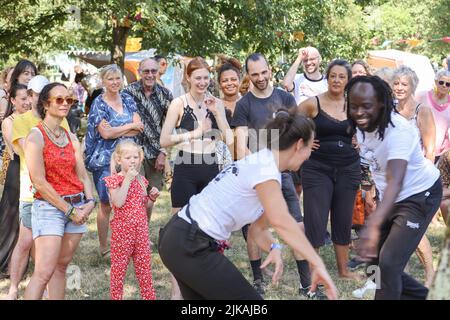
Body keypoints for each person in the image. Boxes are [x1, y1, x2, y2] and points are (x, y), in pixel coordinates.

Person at [158, 110, 338, 300]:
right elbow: (282, 221)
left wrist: (274, 247)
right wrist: (316, 262)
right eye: (310, 147)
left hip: (180, 239)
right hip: (189, 243)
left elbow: (257, 230)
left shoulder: (267, 169)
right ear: (299, 145)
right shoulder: (265, 168)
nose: (309, 155)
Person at [347, 75, 442, 300]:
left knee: (388, 264)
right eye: (354, 106)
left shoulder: (398, 130)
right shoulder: (361, 125)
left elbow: (396, 180)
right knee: (372, 263)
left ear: (381, 103)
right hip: (391, 196)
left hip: (419, 195)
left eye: (366, 106)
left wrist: (373, 225)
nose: (359, 112)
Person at [232, 53, 316, 298]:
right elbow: (239, 145)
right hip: (256, 177)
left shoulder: (285, 98)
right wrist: (262, 165)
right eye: (254, 74)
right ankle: (258, 281)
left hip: (283, 175)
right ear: (249, 75)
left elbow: (298, 133)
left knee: (297, 226)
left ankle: (305, 285)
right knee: (254, 227)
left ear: (270, 70)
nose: (260, 78)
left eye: (263, 72)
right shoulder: (244, 105)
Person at [160, 56, 231, 299]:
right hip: (186, 168)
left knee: (211, 229)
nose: (203, 82)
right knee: (178, 233)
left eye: (206, 77)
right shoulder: (178, 104)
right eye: (197, 77)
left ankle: (208, 287)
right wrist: (194, 133)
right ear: (188, 78)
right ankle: (177, 293)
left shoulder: (216, 103)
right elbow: (164, 140)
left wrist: (218, 114)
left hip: (210, 167)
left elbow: (229, 139)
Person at [23, 82, 96, 300]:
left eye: (69, 100)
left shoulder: (71, 137)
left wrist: (90, 201)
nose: (66, 104)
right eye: (59, 99)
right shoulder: (35, 136)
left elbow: (82, 175)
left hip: (77, 206)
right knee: (43, 272)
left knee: (61, 267)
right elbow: (39, 181)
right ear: (46, 104)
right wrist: (69, 210)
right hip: (50, 208)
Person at [5, 76, 71, 300]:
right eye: (38, 94)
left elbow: (69, 149)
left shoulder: (61, 119)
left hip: (59, 195)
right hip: (31, 193)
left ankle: (42, 291)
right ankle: (14, 288)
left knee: (49, 255)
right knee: (24, 243)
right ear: (33, 96)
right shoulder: (21, 122)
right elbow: (31, 153)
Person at [298, 59, 361, 281]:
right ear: (327, 77)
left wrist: (361, 139)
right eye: (333, 75)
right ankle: (315, 271)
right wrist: (304, 141)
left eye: (341, 76)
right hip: (317, 169)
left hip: (348, 169)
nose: (336, 80)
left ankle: (343, 271)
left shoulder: (354, 105)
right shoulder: (313, 103)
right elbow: (290, 121)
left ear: (348, 81)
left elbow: (370, 128)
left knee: (343, 220)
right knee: (315, 219)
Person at [85, 64, 143, 258]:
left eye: (117, 78)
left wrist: (121, 128)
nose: (115, 82)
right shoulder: (98, 104)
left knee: (129, 200)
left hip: (128, 159)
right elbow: (105, 133)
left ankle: (126, 243)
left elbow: (139, 128)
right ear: (103, 81)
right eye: (110, 79)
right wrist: (129, 125)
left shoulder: (128, 99)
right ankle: (103, 246)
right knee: (107, 204)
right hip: (104, 159)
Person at [392, 66, 437, 287]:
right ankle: (390, 279)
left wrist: (424, 187)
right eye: (396, 83)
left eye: (404, 84)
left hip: (417, 184)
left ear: (413, 87)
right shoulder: (388, 111)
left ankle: (430, 275)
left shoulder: (422, 111)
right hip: (390, 182)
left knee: (413, 231)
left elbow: (429, 151)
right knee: (389, 234)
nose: (399, 87)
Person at [104, 140, 160, 300]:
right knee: (118, 271)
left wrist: (152, 198)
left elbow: (144, 205)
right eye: (128, 157)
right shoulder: (115, 180)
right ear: (119, 159)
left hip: (141, 233)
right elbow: (118, 202)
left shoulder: (142, 181)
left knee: (145, 271)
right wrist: (127, 179)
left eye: (136, 157)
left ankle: (149, 297)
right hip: (122, 234)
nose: (133, 160)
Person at [123, 57, 173, 195]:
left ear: (158, 72)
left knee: (151, 196)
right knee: (136, 195)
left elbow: (170, 126)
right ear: (139, 72)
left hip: (155, 153)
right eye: (146, 71)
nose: (150, 75)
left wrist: (163, 153)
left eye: (153, 71)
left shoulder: (166, 94)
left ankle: (146, 218)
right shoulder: (127, 93)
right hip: (132, 152)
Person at [0, 84, 31, 281]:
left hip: (30, 170)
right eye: (22, 99)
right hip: (16, 171)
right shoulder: (8, 122)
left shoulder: (33, 119)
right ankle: (6, 262)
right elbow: (19, 150)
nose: (27, 102)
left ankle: (20, 263)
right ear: (12, 100)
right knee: (10, 219)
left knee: (25, 220)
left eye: (29, 98)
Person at [417, 69, 450, 158]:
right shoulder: (421, 96)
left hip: (438, 152)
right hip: (418, 148)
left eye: (448, 84)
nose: (444, 86)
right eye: (441, 82)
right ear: (436, 82)